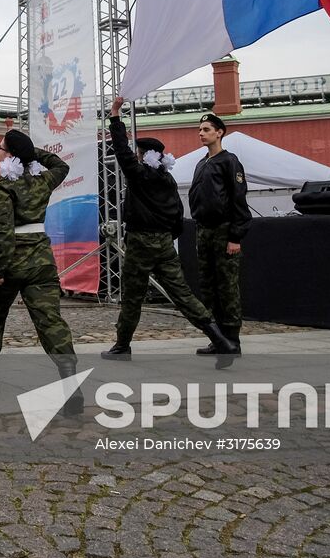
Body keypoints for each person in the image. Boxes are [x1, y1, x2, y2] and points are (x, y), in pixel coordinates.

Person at [100, 98, 238, 364]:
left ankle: (122, 346)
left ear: (142, 155)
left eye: (138, 153)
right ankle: (220, 338)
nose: (135, 155)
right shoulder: (168, 179)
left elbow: (120, 150)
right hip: (164, 242)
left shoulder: (139, 175)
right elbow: (178, 213)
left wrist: (115, 116)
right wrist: (167, 236)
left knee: (132, 296)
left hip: (141, 242)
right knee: (183, 295)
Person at [0, 129, 77, 405]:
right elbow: (61, 165)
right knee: (51, 321)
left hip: (11, 261)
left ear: (9, 156)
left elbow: (4, 234)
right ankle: (70, 384)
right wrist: (31, 154)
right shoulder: (42, 182)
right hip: (41, 259)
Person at [186, 112, 250, 359]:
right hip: (203, 230)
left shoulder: (229, 161)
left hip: (224, 230)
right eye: (200, 130)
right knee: (208, 286)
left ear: (219, 132)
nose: (201, 133)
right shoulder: (201, 163)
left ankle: (232, 340)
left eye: (206, 129)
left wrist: (235, 236)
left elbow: (238, 200)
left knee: (227, 286)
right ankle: (218, 338)